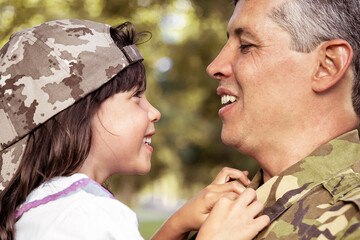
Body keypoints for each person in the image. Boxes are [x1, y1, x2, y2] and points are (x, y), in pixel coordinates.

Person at [0, 19, 270, 240]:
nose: (154, 112)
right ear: (80, 111)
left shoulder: (50, 209)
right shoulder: (84, 216)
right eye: (136, 96)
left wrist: (176, 224)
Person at [204, 0, 360, 239]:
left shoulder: (352, 221)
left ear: (327, 65)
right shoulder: (218, 212)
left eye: (246, 45)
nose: (214, 66)